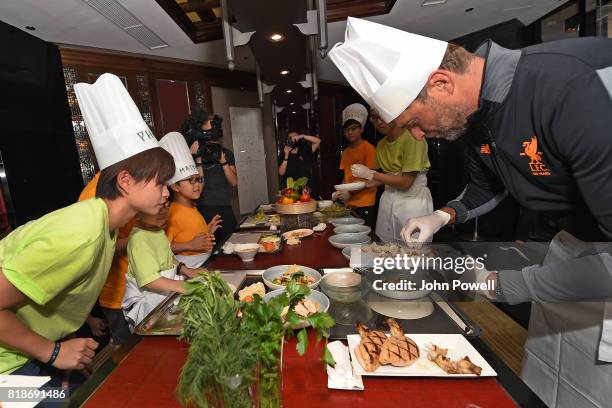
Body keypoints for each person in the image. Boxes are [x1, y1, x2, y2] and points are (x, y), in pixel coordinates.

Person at [330, 17, 612, 407]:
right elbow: (487, 187)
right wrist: (444, 215)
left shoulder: (574, 88)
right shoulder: (475, 118)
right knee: (547, 383)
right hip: (567, 257)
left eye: (414, 122)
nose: (417, 135)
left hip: (601, 271)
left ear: (441, 83)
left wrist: (502, 284)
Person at [0, 73, 174, 381]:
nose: (166, 193)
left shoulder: (104, 225)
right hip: (8, 369)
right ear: (125, 181)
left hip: (26, 353)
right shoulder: (81, 234)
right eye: (160, 182)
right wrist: (51, 352)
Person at [350, 107, 432, 242]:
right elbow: (387, 178)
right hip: (388, 201)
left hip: (412, 201)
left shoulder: (413, 138)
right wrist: (358, 186)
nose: (379, 122)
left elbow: (406, 182)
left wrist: (371, 174)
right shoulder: (381, 144)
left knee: (412, 250)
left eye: (382, 115)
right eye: (375, 118)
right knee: (386, 249)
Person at [121, 202, 203, 329]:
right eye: (155, 205)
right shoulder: (139, 239)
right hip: (150, 306)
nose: (163, 210)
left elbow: (168, 256)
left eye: (165, 205)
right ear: (136, 214)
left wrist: (186, 270)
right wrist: (185, 286)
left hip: (164, 298)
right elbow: (150, 281)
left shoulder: (157, 231)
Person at [78, 172, 135, 346]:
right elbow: (99, 248)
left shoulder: (136, 180)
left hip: (142, 286)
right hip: (119, 295)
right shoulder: (93, 195)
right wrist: (139, 238)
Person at [160, 131, 221, 268]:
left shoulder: (192, 206)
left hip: (204, 263)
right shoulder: (172, 213)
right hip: (188, 267)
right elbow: (163, 247)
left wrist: (207, 230)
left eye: (198, 179)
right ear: (175, 186)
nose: (197, 184)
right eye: (191, 181)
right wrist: (189, 245)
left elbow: (189, 232)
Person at [183, 110, 237, 245]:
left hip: (224, 207)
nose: (209, 137)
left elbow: (234, 182)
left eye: (212, 132)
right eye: (205, 132)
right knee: (207, 248)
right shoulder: (194, 154)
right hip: (202, 209)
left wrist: (223, 161)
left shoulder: (227, 153)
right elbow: (195, 185)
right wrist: (194, 158)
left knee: (230, 246)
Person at [331, 103, 377, 229]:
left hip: (365, 203)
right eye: (346, 130)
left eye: (353, 128)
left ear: (361, 129)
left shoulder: (369, 149)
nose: (349, 132)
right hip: (349, 204)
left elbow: (372, 178)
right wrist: (339, 192)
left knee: (363, 238)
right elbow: (346, 178)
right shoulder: (345, 152)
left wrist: (349, 193)